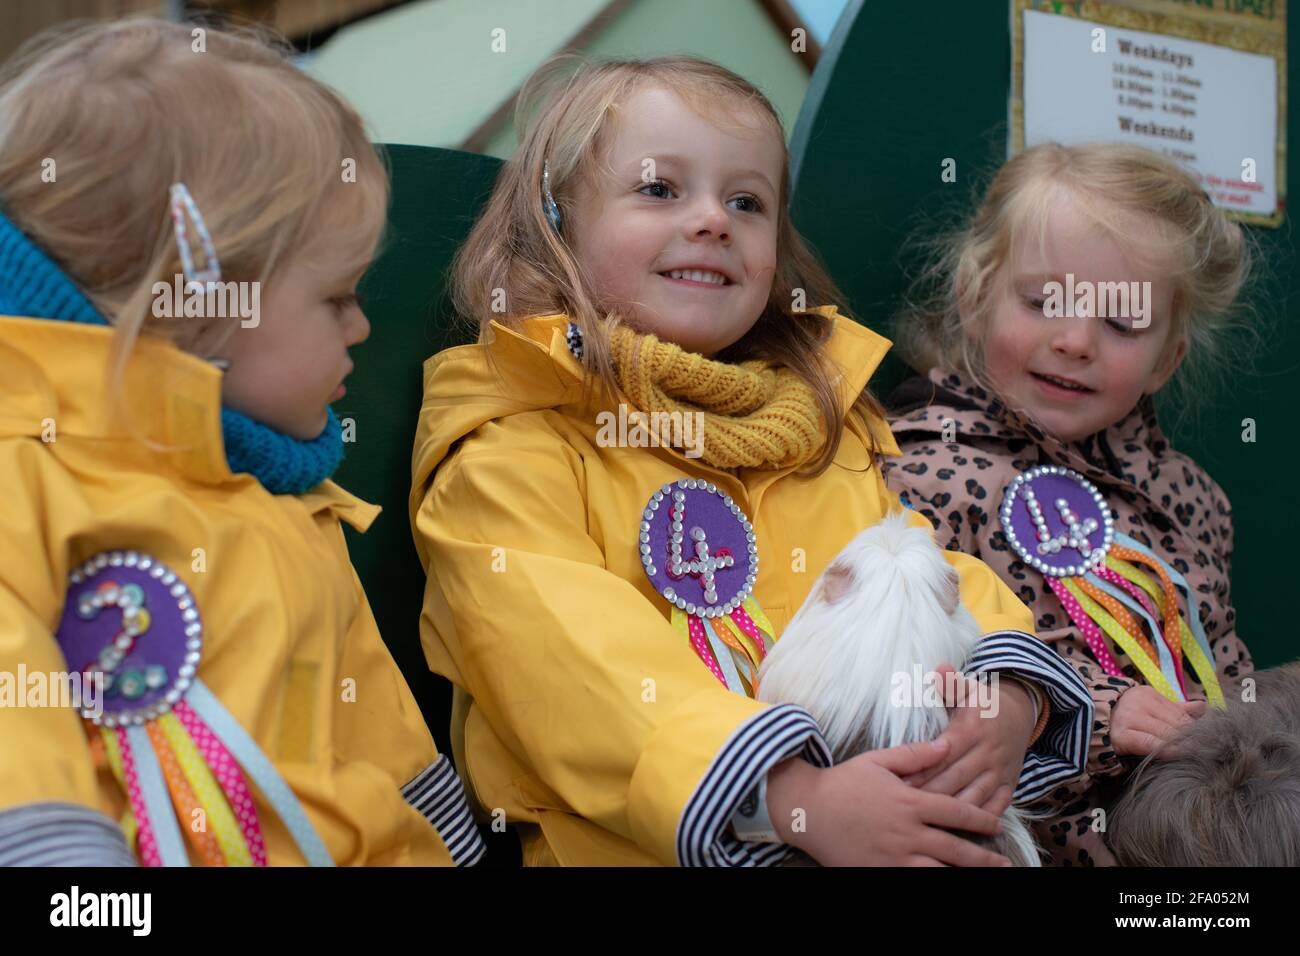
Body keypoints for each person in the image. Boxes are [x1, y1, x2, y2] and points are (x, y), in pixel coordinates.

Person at [410, 56, 1091, 866]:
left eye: (747, 201)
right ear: (557, 224)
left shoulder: (816, 426)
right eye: (660, 189)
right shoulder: (512, 443)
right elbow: (568, 671)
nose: (713, 221)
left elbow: (918, 574)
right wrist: (793, 801)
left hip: (873, 808)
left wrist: (1005, 696)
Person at [0, 18, 482, 866]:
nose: (362, 325)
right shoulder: (25, 472)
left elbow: (382, 738)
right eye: (336, 297)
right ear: (197, 303)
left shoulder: (299, 507)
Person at [886, 142, 1255, 865]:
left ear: (1167, 359)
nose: (1076, 341)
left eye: (1123, 324)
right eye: (1045, 301)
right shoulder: (916, 477)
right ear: (973, 295)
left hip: (1200, 846)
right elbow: (920, 686)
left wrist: (1241, 734)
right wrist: (1096, 712)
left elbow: (1227, 670)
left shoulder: (1190, 502)